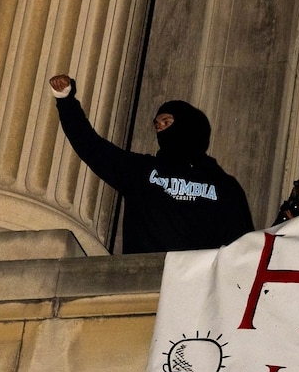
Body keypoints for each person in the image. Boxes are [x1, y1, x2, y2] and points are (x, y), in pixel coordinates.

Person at [48, 74, 253, 253]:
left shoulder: (223, 185)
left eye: (167, 122)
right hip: (144, 282)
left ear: (187, 126)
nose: (160, 129)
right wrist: (65, 101)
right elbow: (92, 148)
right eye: (157, 125)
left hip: (197, 285)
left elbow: (241, 244)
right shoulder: (141, 171)